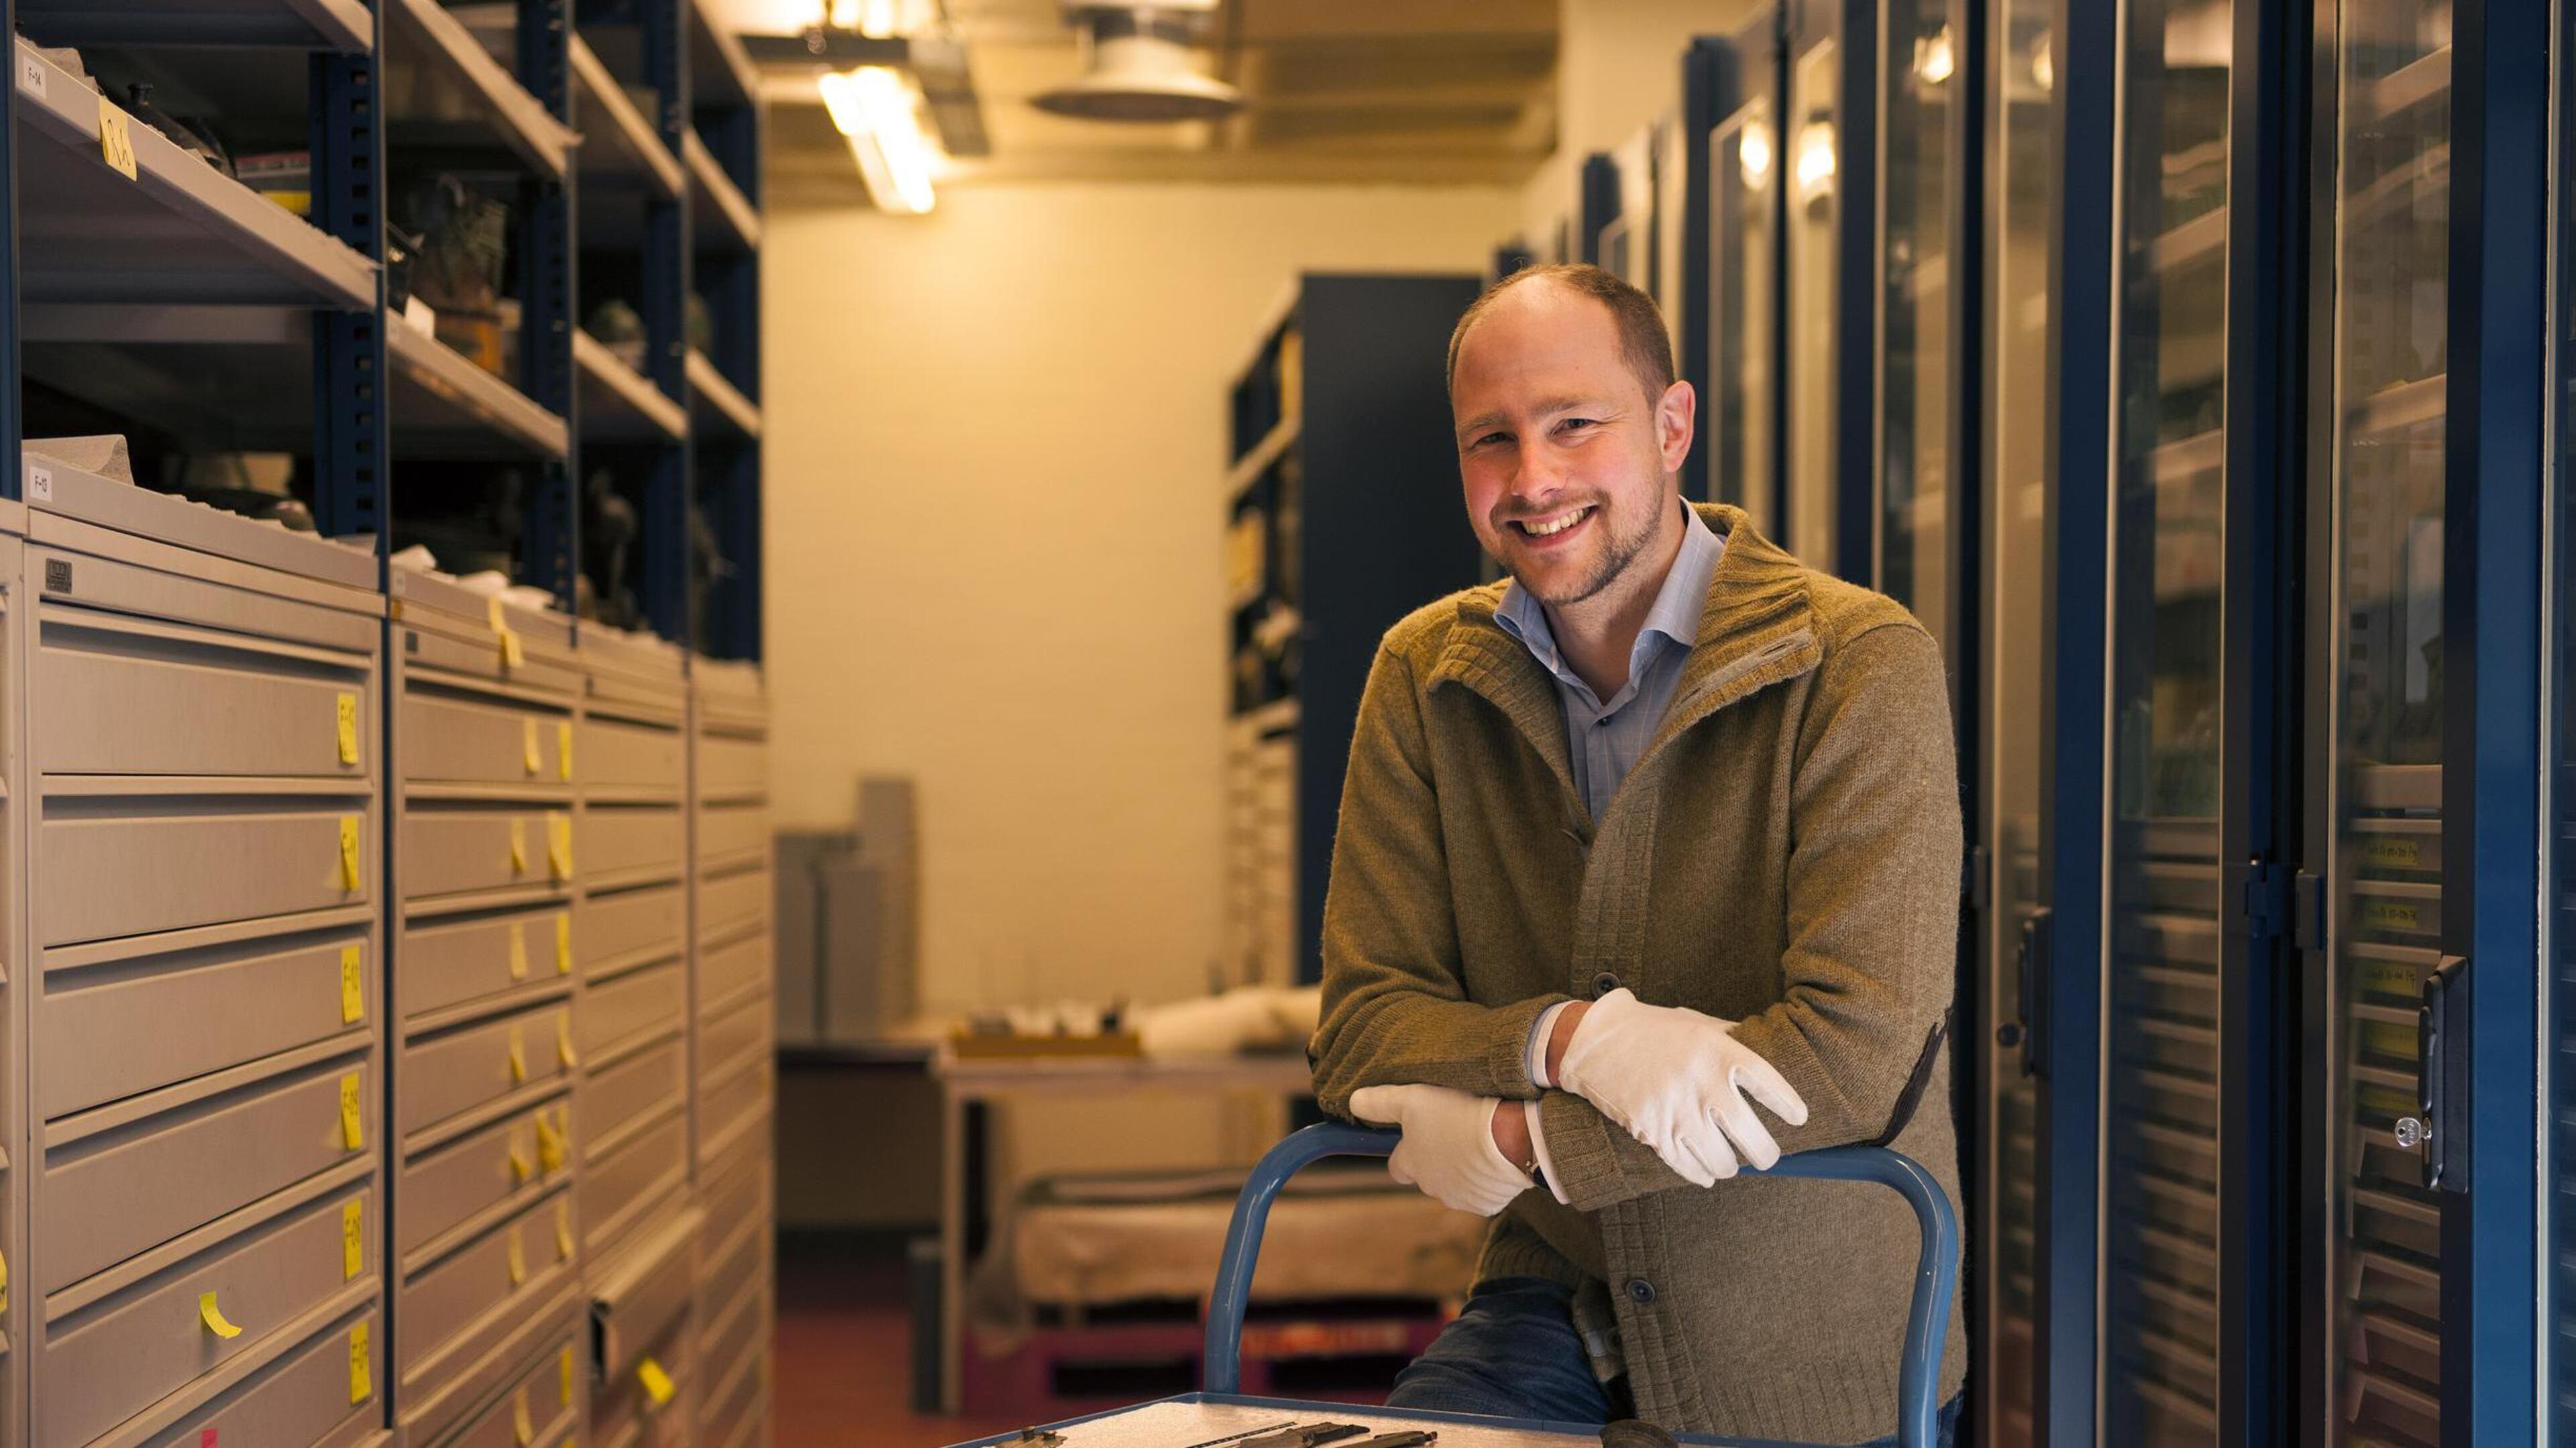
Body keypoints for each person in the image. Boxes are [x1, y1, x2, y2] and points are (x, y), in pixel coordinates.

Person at [1307, 264, 1966, 1447]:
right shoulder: (1423, 677)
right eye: (1491, 441)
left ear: (1671, 427)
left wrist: (1528, 1138)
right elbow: (1363, 1023)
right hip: (1553, 1303)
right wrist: (1571, 1040)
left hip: (1806, 1337)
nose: (1534, 480)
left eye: (1574, 425)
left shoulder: (1860, 663)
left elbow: (1853, 1051)